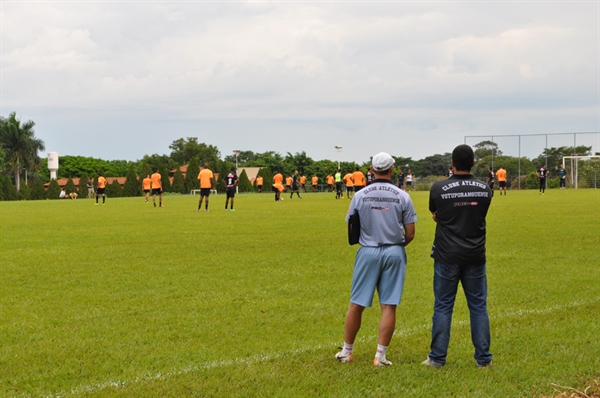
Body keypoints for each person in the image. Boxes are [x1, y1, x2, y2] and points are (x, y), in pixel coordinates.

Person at [336, 152, 417, 367]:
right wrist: (396, 245)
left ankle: (347, 351)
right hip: (394, 251)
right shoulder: (403, 196)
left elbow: (352, 228)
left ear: (371, 170)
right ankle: (380, 356)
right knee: (388, 306)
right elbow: (410, 233)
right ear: (392, 170)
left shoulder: (360, 195)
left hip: (368, 251)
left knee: (356, 304)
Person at [423, 144, 493, 369]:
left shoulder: (438, 188)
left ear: (452, 163)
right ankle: (483, 359)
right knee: (478, 307)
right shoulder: (485, 189)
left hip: (446, 255)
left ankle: (437, 359)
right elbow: (478, 214)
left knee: (443, 306)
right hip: (474, 254)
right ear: (473, 163)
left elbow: (436, 212)